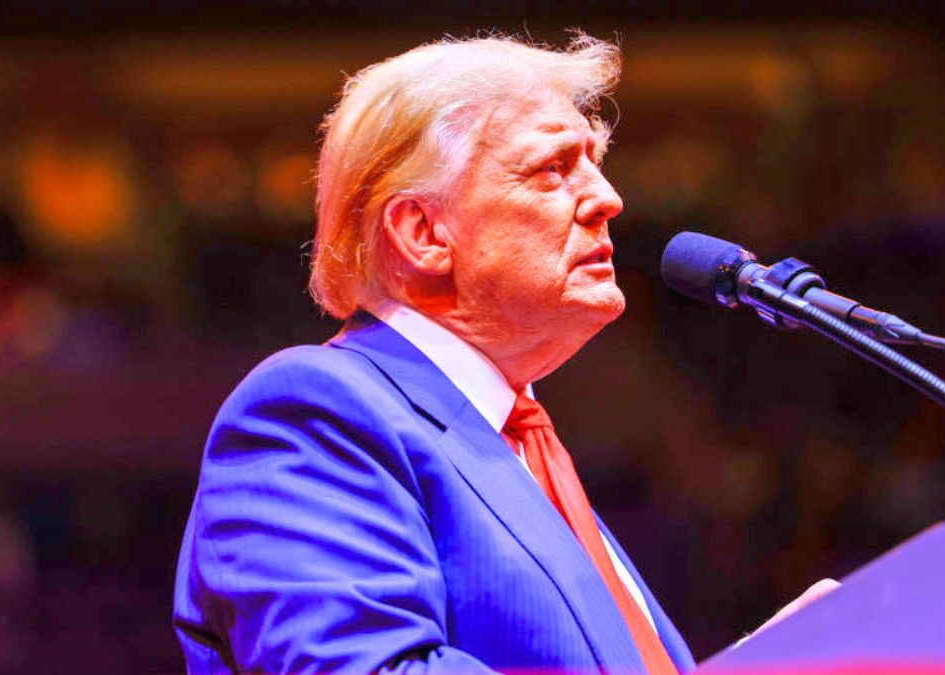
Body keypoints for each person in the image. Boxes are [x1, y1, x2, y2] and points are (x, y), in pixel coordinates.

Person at [173, 33, 833, 673]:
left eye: (594, 164)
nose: (608, 198)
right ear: (423, 232)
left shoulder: (520, 445)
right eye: (553, 168)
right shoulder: (317, 411)